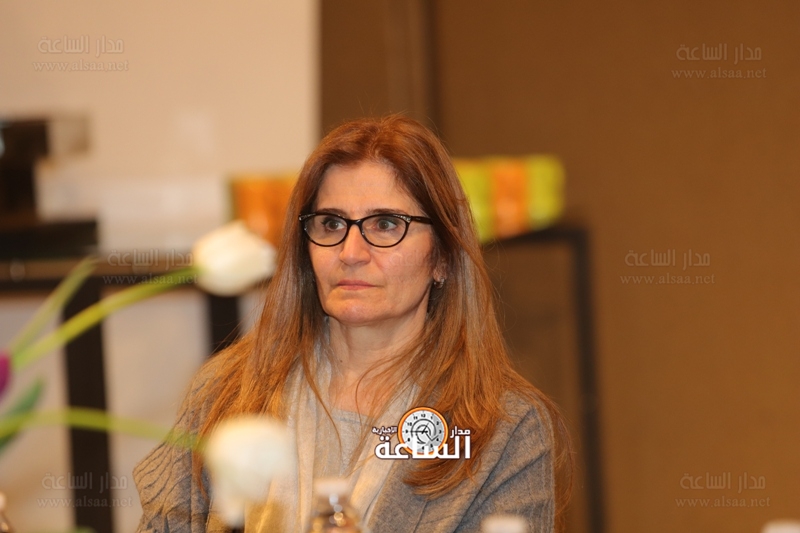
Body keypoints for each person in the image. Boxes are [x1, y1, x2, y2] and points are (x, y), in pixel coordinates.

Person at [134, 115, 572, 533]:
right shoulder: (225, 391)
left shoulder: (504, 428)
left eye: (385, 224)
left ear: (442, 257)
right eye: (331, 224)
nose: (351, 252)